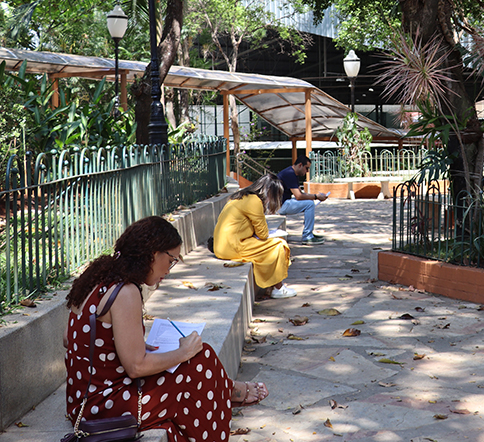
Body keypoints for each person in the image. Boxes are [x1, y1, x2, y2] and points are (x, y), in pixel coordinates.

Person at [64, 216, 268, 442]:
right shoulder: (126, 292)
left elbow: (68, 338)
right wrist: (183, 352)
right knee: (199, 363)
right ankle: (228, 396)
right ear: (154, 253)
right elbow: (136, 367)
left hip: (82, 400)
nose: (169, 270)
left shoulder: (96, 278)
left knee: (199, 366)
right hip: (105, 407)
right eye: (171, 260)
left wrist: (125, 342)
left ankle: (227, 392)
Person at [213, 174, 296, 299]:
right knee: (279, 245)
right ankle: (278, 288)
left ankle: (272, 285)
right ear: (269, 192)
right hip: (233, 247)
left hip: (224, 246)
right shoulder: (255, 201)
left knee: (275, 245)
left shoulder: (241, 196)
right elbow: (263, 234)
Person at [277, 154, 328, 245]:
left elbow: (301, 194)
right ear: (300, 165)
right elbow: (298, 196)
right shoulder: (289, 174)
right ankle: (307, 236)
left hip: (282, 203)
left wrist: (316, 196)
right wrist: (316, 196)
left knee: (309, 202)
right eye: (306, 168)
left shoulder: (293, 173)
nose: (307, 171)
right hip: (279, 206)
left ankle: (309, 234)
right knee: (309, 204)